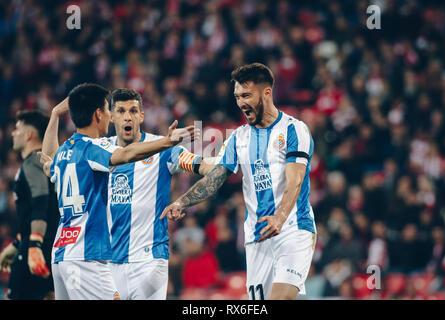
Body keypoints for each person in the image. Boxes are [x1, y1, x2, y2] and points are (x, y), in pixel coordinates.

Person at [162, 63, 317, 300]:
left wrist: (280, 217)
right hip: (257, 238)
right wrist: (181, 202)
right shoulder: (238, 137)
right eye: (237, 96)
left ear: (267, 93)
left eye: (246, 95)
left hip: (292, 229)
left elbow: (295, 180)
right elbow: (215, 176)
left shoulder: (294, 130)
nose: (241, 102)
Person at [42, 88, 214, 299]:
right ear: (110, 116)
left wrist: (187, 198)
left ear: (141, 116)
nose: (127, 116)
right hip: (105, 261)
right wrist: (168, 141)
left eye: (133, 111)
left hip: (147, 260)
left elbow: (204, 167)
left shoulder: (164, 151)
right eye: (120, 110)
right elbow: (123, 155)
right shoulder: (99, 148)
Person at [0, 110, 59, 300]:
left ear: (29, 135)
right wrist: (18, 243)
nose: (13, 133)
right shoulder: (40, 162)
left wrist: (33, 245)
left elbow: (40, 203)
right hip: (45, 246)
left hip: (36, 250)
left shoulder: (33, 162)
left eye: (17, 129)